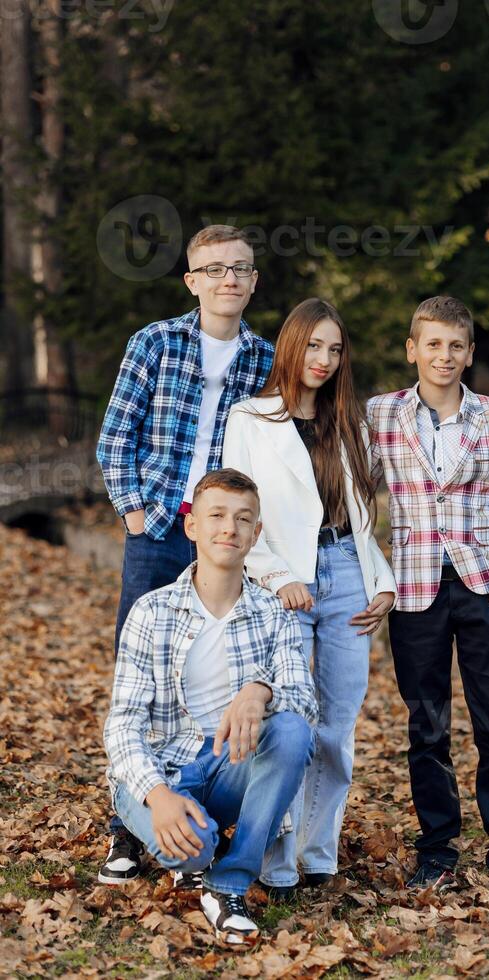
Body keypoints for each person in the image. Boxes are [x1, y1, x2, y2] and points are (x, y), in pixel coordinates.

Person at [96, 224, 274, 885]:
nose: (229, 279)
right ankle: (126, 828)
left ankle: (193, 809)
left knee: (212, 670)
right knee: (140, 672)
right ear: (193, 282)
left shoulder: (261, 359)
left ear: (254, 281)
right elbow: (117, 433)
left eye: (242, 269)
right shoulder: (156, 343)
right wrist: (135, 512)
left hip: (223, 534)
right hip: (161, 527)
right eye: (216, 269)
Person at [367, 296, 489, 910]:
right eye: (433, 344)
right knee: (428, 727)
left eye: (456, 346)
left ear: (470, 353)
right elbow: (358, 496)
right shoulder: (381, 415)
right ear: (412, 349)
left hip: (483, 587)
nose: (444, 356)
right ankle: (437, 849)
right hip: (414, 591)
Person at [222, 297, 396, 896]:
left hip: (347, 570)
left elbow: (364, 519)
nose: (323, 359)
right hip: (284, 584)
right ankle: (275, 858)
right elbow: (241, 513)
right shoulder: (249, 419)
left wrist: (384, 582)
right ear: (291, 346)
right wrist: (275, 576)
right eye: (314, 345)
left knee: (338, 725)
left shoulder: (349, 420)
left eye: (335, 349)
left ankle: (318, 852)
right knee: (288, 721)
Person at [103, 468, 317, 944]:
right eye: (216, 515)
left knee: (292, 731)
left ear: (256, 533)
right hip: (164, 772)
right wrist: (157, 796)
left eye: (244, 519)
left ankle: (230, 881)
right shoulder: (151, 611)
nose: (230, 529)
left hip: (228, 766)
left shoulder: (273, 614)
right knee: (192, 853)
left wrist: (259, 691)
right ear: (192, 526)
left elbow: (304, 702)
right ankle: (150, 832)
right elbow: (121, 727)